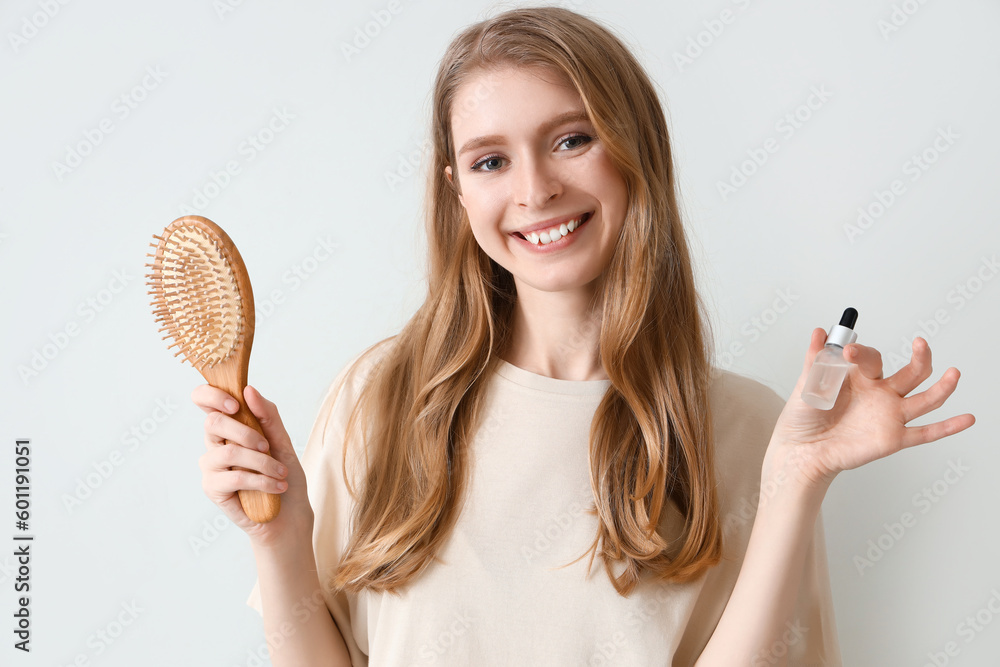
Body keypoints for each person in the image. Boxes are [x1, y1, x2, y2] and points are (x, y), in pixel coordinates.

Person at [191, 7, 975, 666]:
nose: (535, 190)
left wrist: (795, 478)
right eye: (491, 159)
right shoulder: (380, 396)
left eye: (572, 139)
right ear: (456, 189)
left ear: (637, 151)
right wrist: (282, 541)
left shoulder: (750, 431)